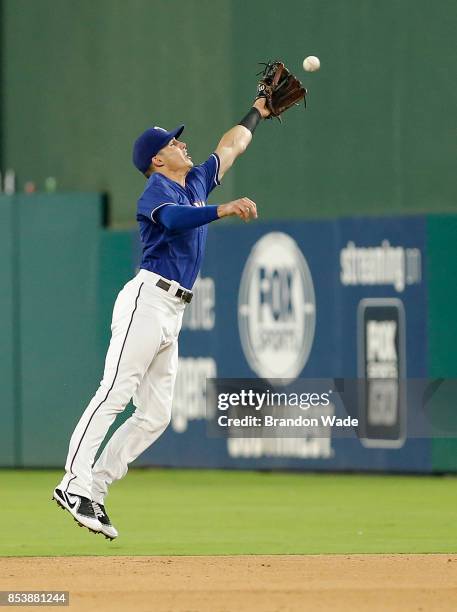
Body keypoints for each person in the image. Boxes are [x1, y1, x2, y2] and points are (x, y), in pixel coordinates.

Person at [52, 98, 271, 539]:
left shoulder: (194, 181)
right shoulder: (159, 191)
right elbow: (172, 221)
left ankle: (94, 488)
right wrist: (223, 209)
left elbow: (231, 147)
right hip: (147, 300)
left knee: (155, 415)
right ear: (157, 158)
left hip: (173, 310)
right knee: (114, 392)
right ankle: (72, 484)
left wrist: (258, 112)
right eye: (174, 141)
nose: (183, 144)